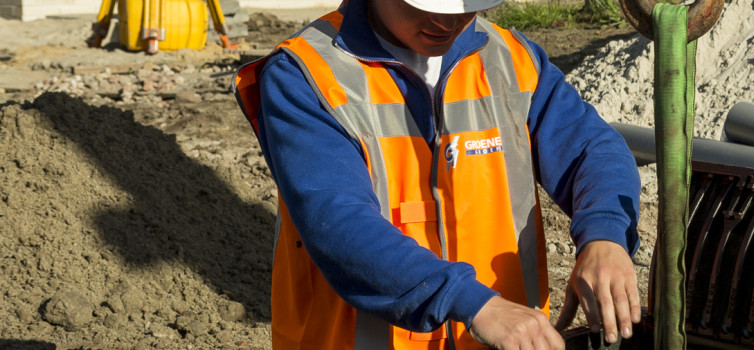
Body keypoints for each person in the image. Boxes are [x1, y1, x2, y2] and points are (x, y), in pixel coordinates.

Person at [232, 0, 643, 348]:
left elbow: (592, 148)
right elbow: (339, 223)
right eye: (425, 5)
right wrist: (473, 302)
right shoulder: (306, 75)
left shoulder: (511, 60)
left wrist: (605, 235)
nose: (445, 21)